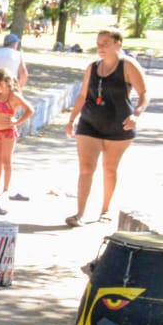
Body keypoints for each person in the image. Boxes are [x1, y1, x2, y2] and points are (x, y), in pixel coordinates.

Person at [64, 26, 150, 227]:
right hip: (89, 123)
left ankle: (106, 209)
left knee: (109, 169)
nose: (100, 48)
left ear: (118, 44)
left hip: (119, 125)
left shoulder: (128, 65)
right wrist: (72, 120)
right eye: (98, 44)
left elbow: (144, 93)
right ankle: (79, 214)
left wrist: (137, 114)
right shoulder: (92, 67)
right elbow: (83, 95)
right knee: (86, 168)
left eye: (105, 44)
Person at [0, 68, 35, 209]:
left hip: (8, 132)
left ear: (3, 82)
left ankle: (6, 189)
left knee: (6, 160)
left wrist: (17, 122)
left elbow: (30, 110)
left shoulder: (14, 96)